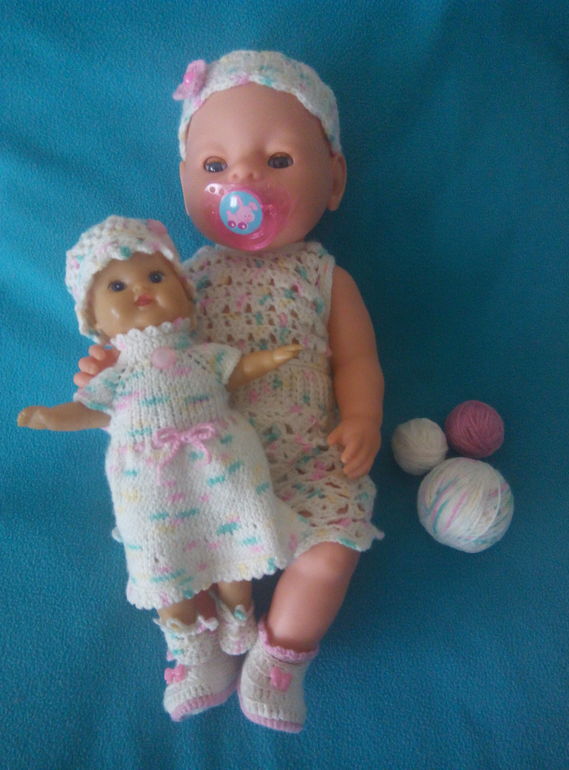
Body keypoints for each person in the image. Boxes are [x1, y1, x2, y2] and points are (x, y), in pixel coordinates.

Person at [75, 51, 385, 733]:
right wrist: (112, 370)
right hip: (207, 464)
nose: (243, 178)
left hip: (311, 461)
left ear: (333, 179)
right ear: (186, 182)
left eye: (277, 160)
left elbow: (359, 358)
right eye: (215, 166)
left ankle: (281, 658)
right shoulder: (180, 282)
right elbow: (151, 357)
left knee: (333, 552)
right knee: (165, 539)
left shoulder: (327, 278)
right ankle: (198, 648)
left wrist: (362, 415)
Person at [18, 215, 304, 722]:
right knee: (163, 567)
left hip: (225, 472)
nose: (141, 291)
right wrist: (52, 417)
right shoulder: (116, 378)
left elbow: (239, 369)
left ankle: (238, 620)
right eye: (117, 286)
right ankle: (195, 652)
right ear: (95, 320)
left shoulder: (204, 356)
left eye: (155, 276)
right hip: (151, 494)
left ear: (185, 295)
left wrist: (272, 358)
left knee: (236, 550)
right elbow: (89, 410)